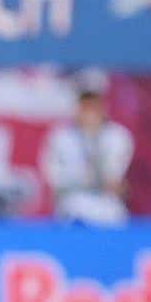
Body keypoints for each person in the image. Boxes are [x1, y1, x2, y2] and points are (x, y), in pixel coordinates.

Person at [41, 78, 135, 225]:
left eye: (94, 107)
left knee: (115, 216)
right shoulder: (60, 137)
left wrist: (110, 183)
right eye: (85, 107)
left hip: (106, 201)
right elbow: (52, 174)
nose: (90, 113)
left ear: (103, 109)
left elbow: (115, 176)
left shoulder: (118, 136)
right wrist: (73, 183)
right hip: (73, 199)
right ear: (77, 109)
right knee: (72, 212)